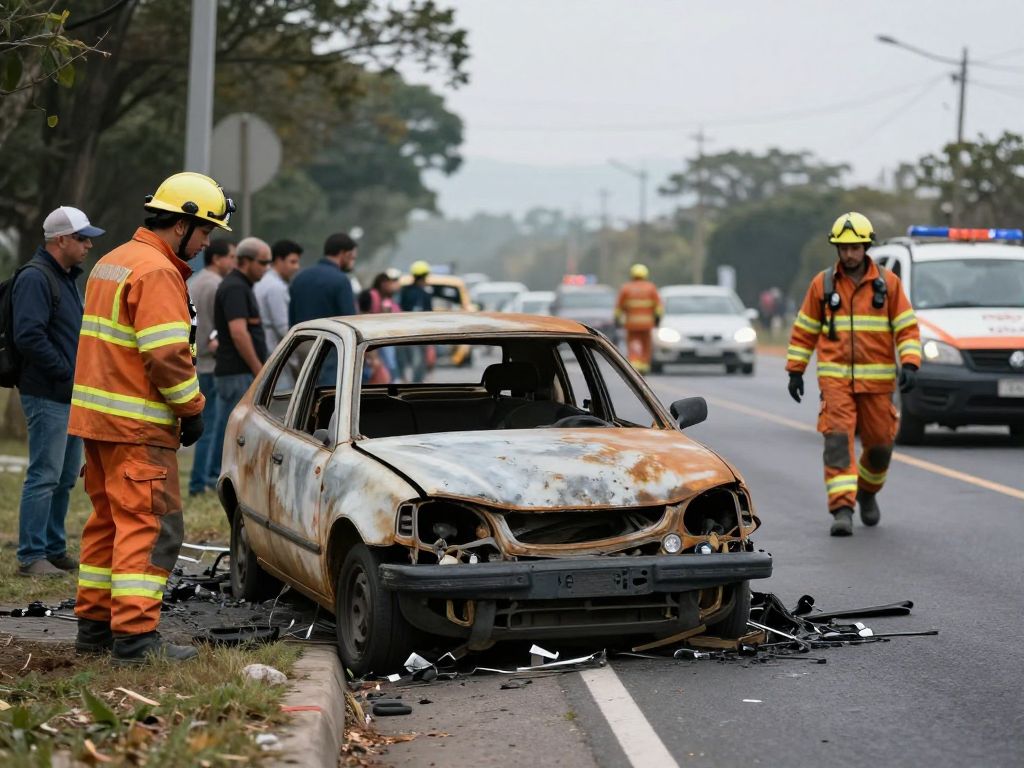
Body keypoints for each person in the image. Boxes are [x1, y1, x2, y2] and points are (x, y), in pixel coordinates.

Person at [71, 171, 234, 664]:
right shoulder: (158, 272)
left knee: (108, 524)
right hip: (138, 426)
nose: (206, 243)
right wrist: (193, 409)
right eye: (205, 231)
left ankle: (95, 628)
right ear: (181, 223)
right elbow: (165, 355)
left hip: (99, 423)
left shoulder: (113, 261)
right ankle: (137, 638)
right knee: (148, 527)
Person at [786, 212, 921, 536]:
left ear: (866, 247)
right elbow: (805, 330)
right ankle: (842, 510)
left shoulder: (889, 284)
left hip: (878, 383)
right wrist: (795, 371)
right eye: (844, 248)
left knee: (880, 447)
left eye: (855, 248)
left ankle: (867, 493)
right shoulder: (823, 285)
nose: (849, 254)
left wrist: (910, 363)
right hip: (835, 382)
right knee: (836, 442)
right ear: (837, 249)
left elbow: (906, 327)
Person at [13, 207, 103, 577]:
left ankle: (53, 548)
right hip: (47, 393)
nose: (88, 246)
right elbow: (28, 335)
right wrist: (66, 373)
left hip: (67, 394)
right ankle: (31, 555)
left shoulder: (64, 277)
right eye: (82, 239)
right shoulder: (36, 277)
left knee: (65, 478)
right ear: (60, 240)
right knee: (44, 475)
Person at [210, 237, 270, 479]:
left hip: (238, 372)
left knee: (231, 429)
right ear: (245, 261)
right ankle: (215, 476)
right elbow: (238, 332)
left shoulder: (241, 285)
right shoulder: (235, 287)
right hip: (237, 372)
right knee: (230, 430)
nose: (266, 268)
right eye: (262, 262)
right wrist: (259, 370)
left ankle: (216, 475)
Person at [186, 238, 235, 497]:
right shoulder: (217, 286)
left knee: (205, 425)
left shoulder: (194, 282)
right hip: (210, 362)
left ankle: (202, 479)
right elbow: (218, 326)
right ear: (217, 258)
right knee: (211, 427)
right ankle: (202, 481)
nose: (234, 262)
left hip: (195, 360)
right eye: (231, 257)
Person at [289, 232, 357, 325]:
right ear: (343, 254)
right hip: (331, 334)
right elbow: (350, 321)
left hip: (302, 334)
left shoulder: (299, 278)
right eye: (352, 257)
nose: (352, 263)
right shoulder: (341, 280)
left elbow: (292, 319)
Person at [614, 263, 663, 373]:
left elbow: (618, 308)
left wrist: (617, 321)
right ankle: (644, 365)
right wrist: (657, 320)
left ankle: (634, 363)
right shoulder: (651, 288)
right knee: (646, 344)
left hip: (632, 324)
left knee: (632, 343)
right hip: (647, 324)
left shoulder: (626, 288)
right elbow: (659, 307)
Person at [255, 239, 302, 352]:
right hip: (273, 346)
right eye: (292, 262)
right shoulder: (276, 287)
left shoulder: (263, 280)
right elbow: (283, 328)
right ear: (278, 261)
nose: (297, 267)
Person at [358, 268, 401, 380]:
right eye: (390, 283)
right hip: (370, 337)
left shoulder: (387, 299)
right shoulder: (370, 295)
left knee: (387, 364)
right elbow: (363, 316)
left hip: (382, 337)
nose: (392, 286)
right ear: (383, 284)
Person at [398, 261, 434, 382]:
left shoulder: (404, 291)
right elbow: (429, 315)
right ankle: (416, 383)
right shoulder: (425, 294)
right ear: (424, 276)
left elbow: (400, 310)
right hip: (421, 333)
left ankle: (406, 380)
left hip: (405, 332)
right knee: (419, 360)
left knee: (409, 360)